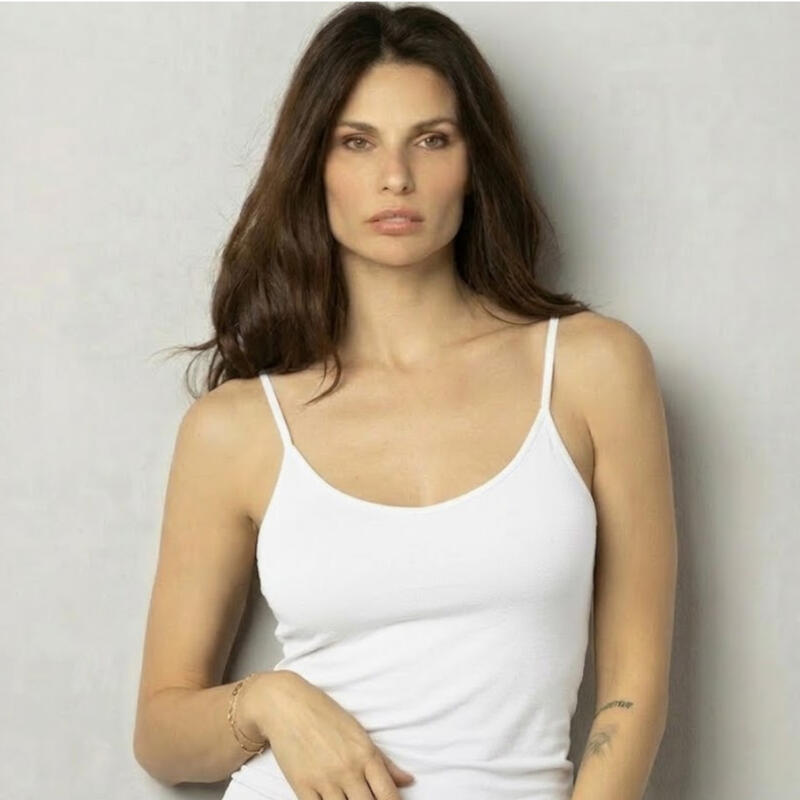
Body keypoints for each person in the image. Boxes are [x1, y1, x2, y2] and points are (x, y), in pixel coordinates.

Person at [133, 3, 677, 800]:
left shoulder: (593, 369)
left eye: (432, 139)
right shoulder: (237, 428)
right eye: (357, 142)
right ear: (314, 166)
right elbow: (161, 735)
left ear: (475, 161)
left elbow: (635, 688)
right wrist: (271, 703)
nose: (396, 177)